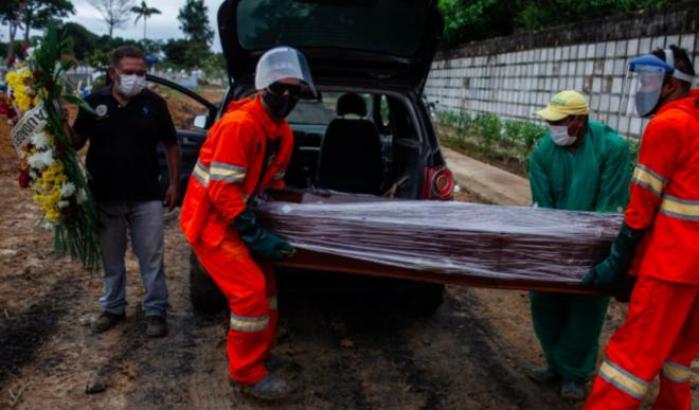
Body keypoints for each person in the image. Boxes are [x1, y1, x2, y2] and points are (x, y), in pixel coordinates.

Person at [179, 46, 316, 401]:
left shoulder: (282, 134)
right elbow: (223, 192)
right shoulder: (239, 126)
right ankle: (245, 373)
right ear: (262, 88)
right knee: (250, 293)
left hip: (239, 217)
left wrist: (284, 223)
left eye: (295, 91)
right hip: (212, 221)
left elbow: (274, 186)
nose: (287, 97)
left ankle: (260, 353)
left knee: (267, 289)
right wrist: (255, 234)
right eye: (279, 88)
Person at [583, 45, 699, 409]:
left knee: (629, 361)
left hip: (672, 266)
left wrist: (619, 259)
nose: (641, 88)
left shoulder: (669, 124)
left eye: (648, 79)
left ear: (668, 84)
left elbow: (642, 205)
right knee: (679, 358)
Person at [69, 45, 180, 338]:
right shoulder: (93, 103)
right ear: (113, 72)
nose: (136, 78)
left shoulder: (154, 104)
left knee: (151, 258)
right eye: (129, 72)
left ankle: (156, 311)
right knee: (112, 260)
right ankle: (113, 308)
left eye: (141, 73)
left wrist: (174, 183)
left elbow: (171, 145)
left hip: (147, 195)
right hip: (105, 196)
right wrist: (54, 122)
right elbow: (76, 142)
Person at [528, 90, 631, 400]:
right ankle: (555, 363)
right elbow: (542, 204)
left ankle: (575, 373)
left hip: (595, 246)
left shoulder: (612, 148)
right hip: (554, 243)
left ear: (579, 121)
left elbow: (609, 204)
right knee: (544, 301)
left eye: (558, 121)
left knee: (585, 307)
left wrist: (590, 248)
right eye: (549, 121)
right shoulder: (544, 152)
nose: (552, 127)